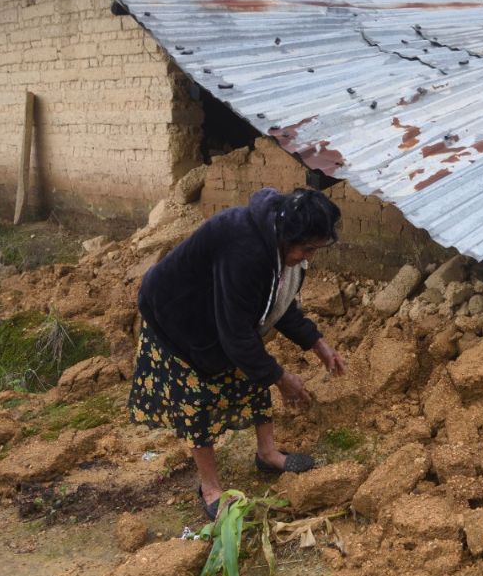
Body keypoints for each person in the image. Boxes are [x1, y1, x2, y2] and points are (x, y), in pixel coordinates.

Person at [128, 187, 346, 519]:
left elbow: (278, 305)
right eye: (307, 248)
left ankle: (268, 453)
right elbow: (236, 335)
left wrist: (318, 343)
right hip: (178, 316)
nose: (309, 256)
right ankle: (210, 487)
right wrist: (282, 379)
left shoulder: (280, 248)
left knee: (254, 370)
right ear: (289, 235)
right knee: (197, 397)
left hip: (221, 313)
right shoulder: (245, 249)